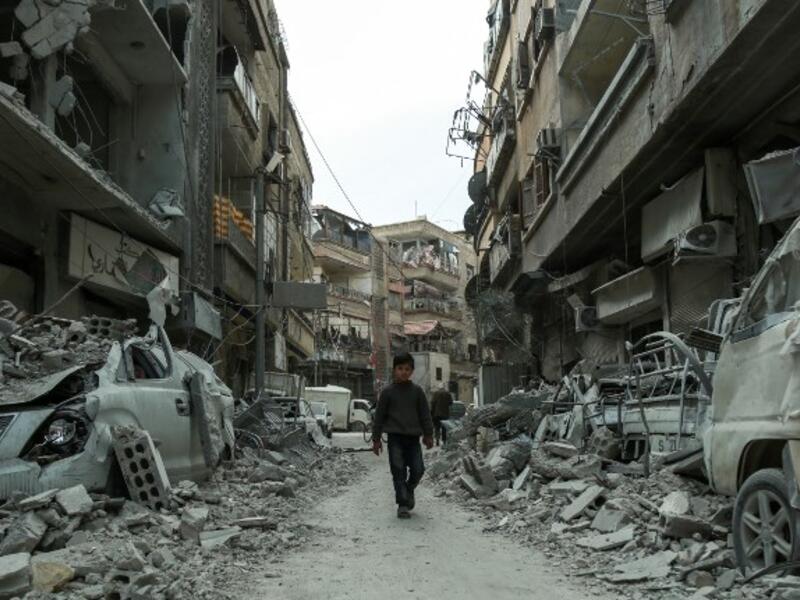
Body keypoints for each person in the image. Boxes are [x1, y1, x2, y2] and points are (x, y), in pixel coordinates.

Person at [372, 352, 434, 519]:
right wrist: (376, 439)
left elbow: (425, 415)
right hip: (395, 439)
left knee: (418, 469)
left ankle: (409, 489)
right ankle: (403, 504)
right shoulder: (387, 392)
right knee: (398, 470)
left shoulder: (417, 392)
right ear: (394, 370)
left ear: (412, 371)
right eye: (400, 368)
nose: (404, 372)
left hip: (413, 439)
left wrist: (428, 435)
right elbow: (379, 418)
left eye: (407, 369)